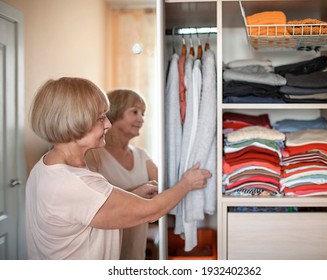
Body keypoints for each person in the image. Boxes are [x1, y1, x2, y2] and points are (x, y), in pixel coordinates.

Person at [25, 77, 211, 260]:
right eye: (100, 118)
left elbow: (87, 209)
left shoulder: (44, 167)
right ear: (74, 122)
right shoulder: (75, 184)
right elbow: (152, 210)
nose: (108, 124)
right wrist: (187, 183)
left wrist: (133, 193)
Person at [85, 89, 157, 260]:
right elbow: (96, 207)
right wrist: (139, 192)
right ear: (115, 114)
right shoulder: (93, 155)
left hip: (135, 248)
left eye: (143, 114)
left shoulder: (142, 155)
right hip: (106, 252)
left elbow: (164, 185)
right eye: (134, 112)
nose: (141, 119)